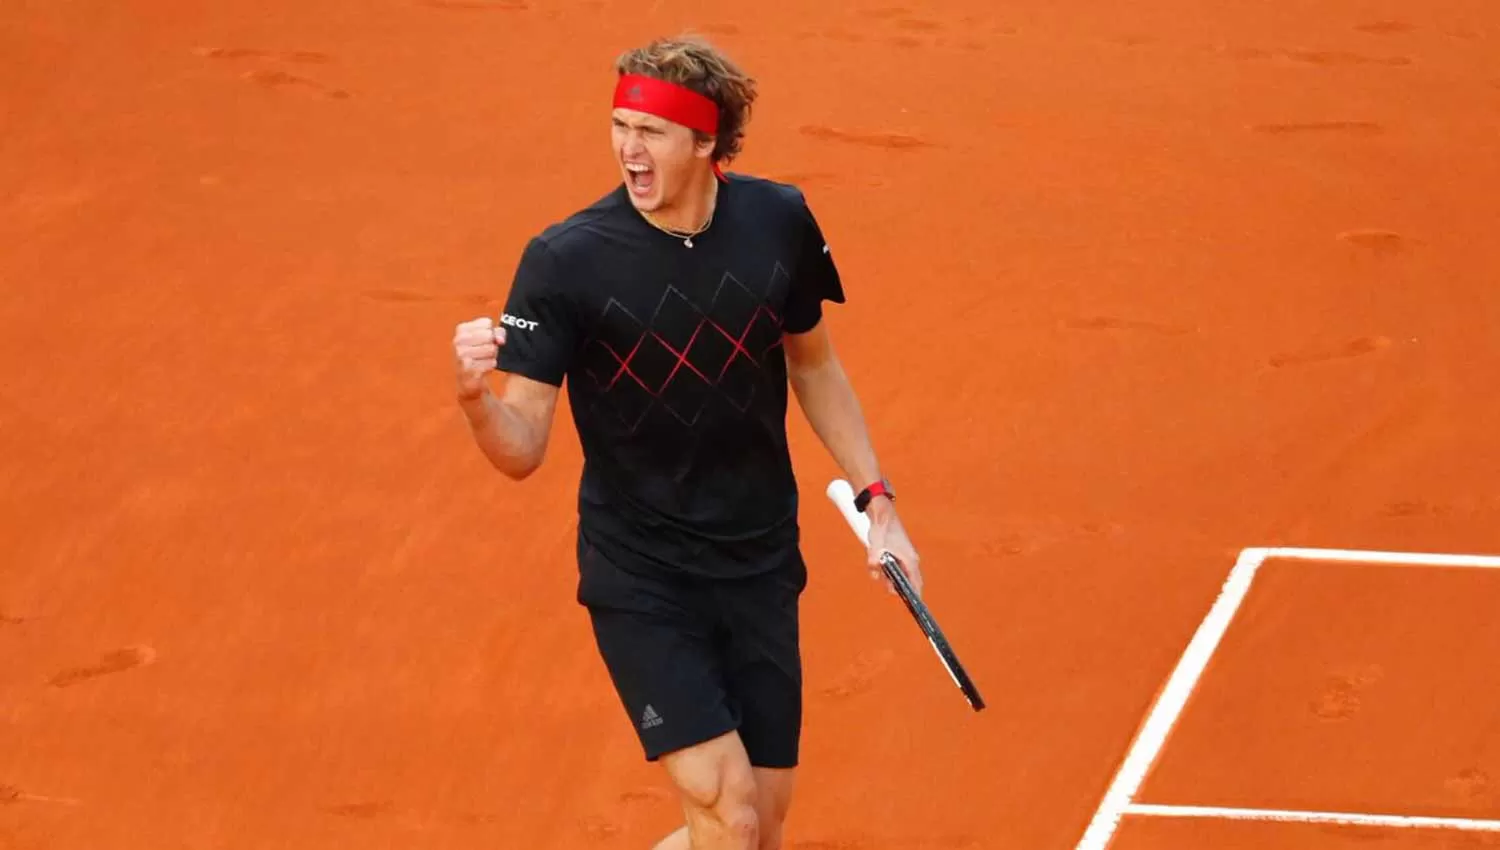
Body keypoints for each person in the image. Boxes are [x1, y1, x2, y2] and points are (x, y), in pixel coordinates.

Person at [450, 34, 923, 850]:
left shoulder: (778, 223)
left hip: (760, 562)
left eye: (652, 132)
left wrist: (878, 501)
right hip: (644, 575)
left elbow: (814, 366)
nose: (629, 150)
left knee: (757, 832)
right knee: (729, 812)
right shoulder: (566, 262)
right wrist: (474, 402)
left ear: (707, 141)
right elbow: (523, 445)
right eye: (619, 125)